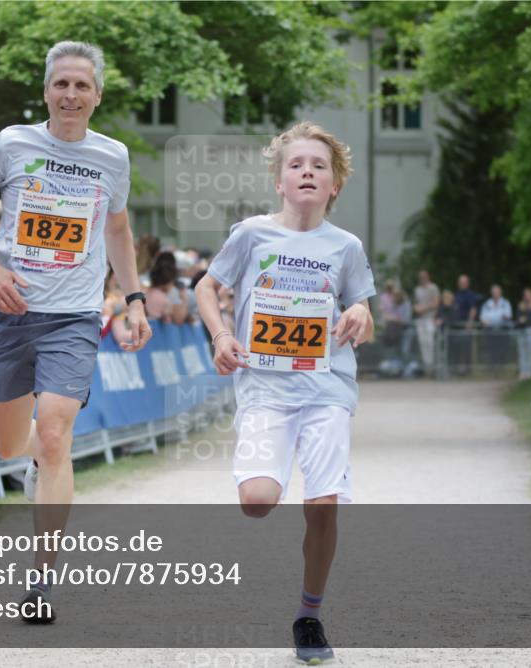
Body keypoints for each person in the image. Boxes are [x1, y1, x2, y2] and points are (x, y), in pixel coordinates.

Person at [0, 41, 151, 624]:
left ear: (98, 95)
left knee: (56, 435)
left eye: (81, 86)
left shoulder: (112, 157)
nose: (70, 94)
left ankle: (40, 581)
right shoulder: (13, 143)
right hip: (14, 311)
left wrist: (134, 297)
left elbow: (117, 230)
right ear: (45, 91)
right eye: (60, 84)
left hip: (75, 314)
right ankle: (30, 464)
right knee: (13, 446)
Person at [195, 121, 375, 664]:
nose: (307, 173)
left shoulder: (346, 246)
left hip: (327, 387)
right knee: (257, 503)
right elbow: (207, 286)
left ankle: (309, 616)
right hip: (266, 388)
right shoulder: (251, 234)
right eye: (296, 165)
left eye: (319, 166)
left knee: (322, 506)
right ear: (279, 179)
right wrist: (222, 334)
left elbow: (362, 308)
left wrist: (361, 312)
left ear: (334, 184)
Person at [452, 274, 480, 375]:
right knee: (457, 348)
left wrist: (469, 322)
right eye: (460, 282)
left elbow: (473, 309)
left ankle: (468, 369)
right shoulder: (457, 294)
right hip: (457, 326)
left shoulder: (470, 294)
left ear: (467, 283)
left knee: (466, 348)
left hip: (465, 326)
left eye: (464, 282)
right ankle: (456, 369)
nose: (462, 284)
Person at [479, 283, 513, 368]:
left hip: (502, 330)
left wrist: (497, 318)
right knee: (491, 349)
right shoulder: (487, 304)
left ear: (500, 292)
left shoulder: (505, 303)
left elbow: (508, 316)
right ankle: (493, 367)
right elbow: (483, 317)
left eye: (497, 291)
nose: (495, 293)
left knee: (502, 349)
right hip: (490, 331)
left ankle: (502, 366)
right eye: (494, 292)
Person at [413, 269, 440, 369]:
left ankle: (433, 365)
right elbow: (415, 304)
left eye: (424, 277)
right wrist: (416, 308)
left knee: (430, 342)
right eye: (420, 277)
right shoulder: (417, 289)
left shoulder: (433, 288)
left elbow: (436, 303)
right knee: (422, 342)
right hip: (420, 319)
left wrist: (423, 309)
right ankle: (427, 366)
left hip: (430, 318)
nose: (422, 279)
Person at [516, 287, 531, 380]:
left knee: (530, 352)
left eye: (528, 294)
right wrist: (521, 320)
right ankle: (522, 371)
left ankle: (529, 371)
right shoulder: (521, 306)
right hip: (521, 330)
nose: (526, 297)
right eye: (525, 295)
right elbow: (518, 318)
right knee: (522, 352)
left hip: (530, 330)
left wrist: (525, 320)